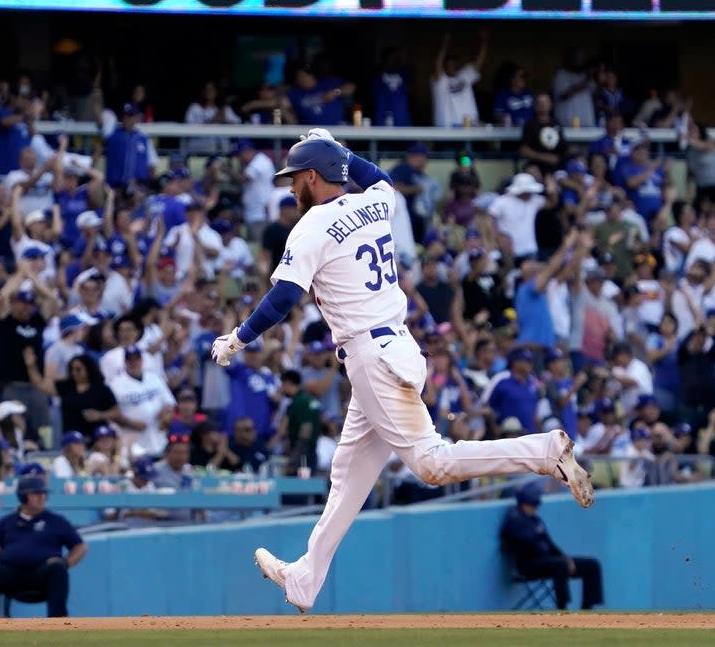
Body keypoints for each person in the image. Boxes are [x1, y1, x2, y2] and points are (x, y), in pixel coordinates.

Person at [210, 129, 592, 614]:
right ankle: (305, 578)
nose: (289, 189)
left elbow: (284, 297)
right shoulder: (376, 202)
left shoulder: (310, 227)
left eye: (294, 179)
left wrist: (238, 337)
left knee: (430, 463)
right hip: (394, 346)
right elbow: (378, 177)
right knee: (347, 474)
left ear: (311, 176)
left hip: (373, 357)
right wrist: (341, 152)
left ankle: (543, 451)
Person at [0, 474, 87, 618]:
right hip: (12, 573)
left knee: (58, 570)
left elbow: (80, 547)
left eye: (44, 494)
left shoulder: (56, 521)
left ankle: (59, 624)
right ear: (23, 497)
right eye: (37, 494)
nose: (42, 497)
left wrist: (65, 562)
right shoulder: (6, 522)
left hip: (42, 574)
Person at [498, 483, 604, 610]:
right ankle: (563, 607)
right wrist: (561, 561)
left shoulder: (535, 520)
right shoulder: (515, 519)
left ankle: (588, 607)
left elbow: (549, 543)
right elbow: (524, 547)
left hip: (550, 560)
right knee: (560, 565)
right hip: (528, 564)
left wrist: (565, 558)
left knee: (592, 565)